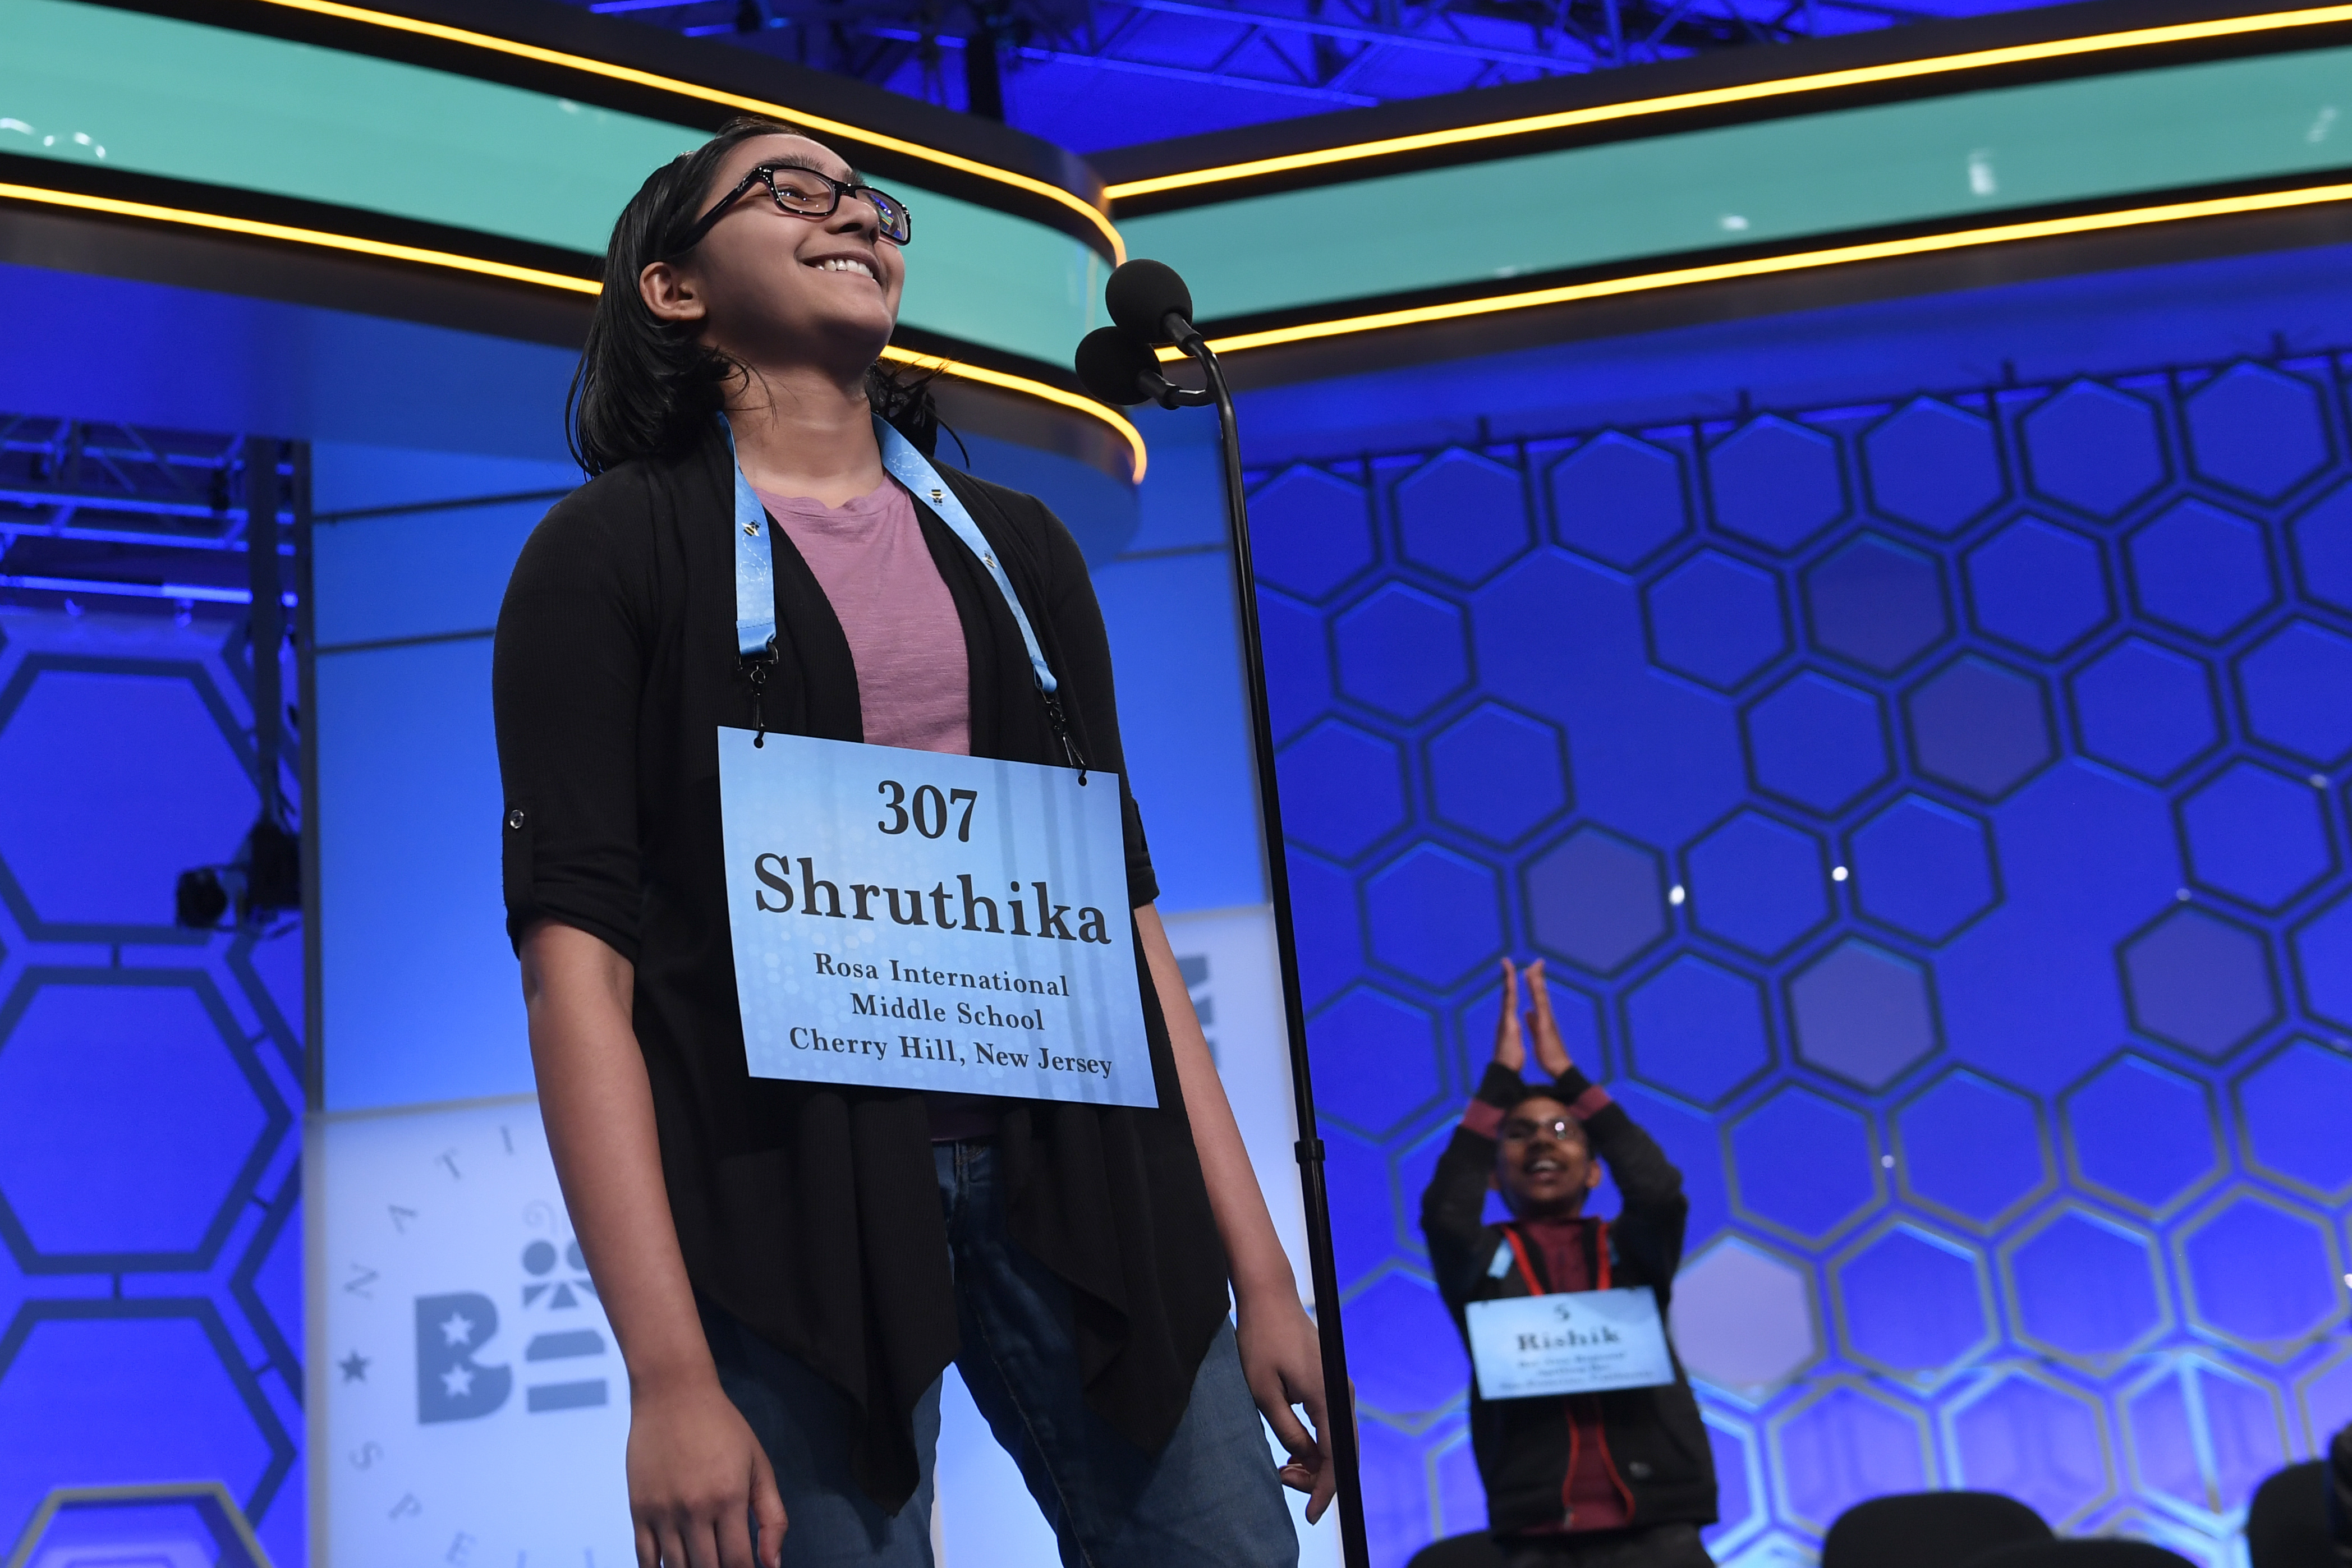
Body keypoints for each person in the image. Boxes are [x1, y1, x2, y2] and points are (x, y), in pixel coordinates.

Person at [493, 117, 1328, 1568]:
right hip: (783, 1210)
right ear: (673, 288)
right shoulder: (610, 552)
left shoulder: (1020, 551)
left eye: (868, 200)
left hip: (1088, 1171)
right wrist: (670, 1374)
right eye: (790, 192)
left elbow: (1119, 927)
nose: (856, 216)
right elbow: (578, 975)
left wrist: (1262, 1272)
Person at [1420, 959, 1716, 1568]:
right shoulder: (1479, 1258)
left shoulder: (1631, 1247)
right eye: (1519, 1133)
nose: (1542, 1141)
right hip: (1536, 1532)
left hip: (1658, 1526)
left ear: (1594, 1165)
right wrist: (1499, 1079)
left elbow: (1659, 1191)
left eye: (1562, 1129)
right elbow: (1448, 1212)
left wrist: (1569, 1076)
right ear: (1496, 1173)